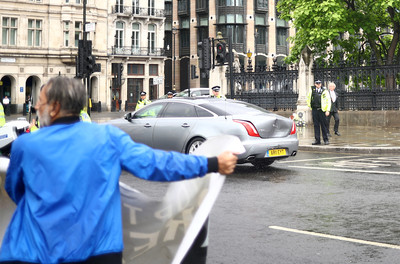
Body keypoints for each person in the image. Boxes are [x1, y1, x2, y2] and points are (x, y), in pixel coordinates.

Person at [0, 76, 237, 264]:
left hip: (32, 250)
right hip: (98, 250)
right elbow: (154, 163)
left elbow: (15, 190)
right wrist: (212, 163)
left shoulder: (26, 145)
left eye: (40, 100)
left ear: (54, 107)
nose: (36, 106)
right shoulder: (107, 137)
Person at [307, 80, 331, 145]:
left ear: (321, 84)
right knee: (316, 125)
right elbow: (308, 98)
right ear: (315, 84)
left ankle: (326, 139)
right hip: (315, 109)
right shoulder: (312, 90)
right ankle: (317, 140)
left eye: (319, 83)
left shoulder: (324, 91)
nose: (318, 84)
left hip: (322, 110)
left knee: (324, 125)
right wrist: (309, 106)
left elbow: (328, 101)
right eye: (317, 83)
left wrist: (327, 110)